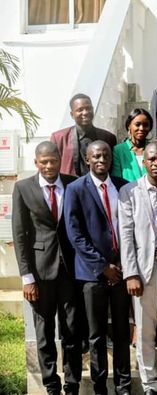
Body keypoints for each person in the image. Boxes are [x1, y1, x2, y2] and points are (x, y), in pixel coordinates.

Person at [12, 141, 81, 395]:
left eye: (53, 160)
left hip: (71, 271)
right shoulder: (23, 188)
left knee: (72, 331)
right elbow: (20, 236)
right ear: (36, 163)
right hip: (40, 274)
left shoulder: (73, 183)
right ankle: (51, 385)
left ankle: (72, 385)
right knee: (44, 332)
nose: (49, 166)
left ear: (59, 158)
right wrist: (26, 277)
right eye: (44, 162)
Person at [64, 141, 131, 395]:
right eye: (96, 156)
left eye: (105, 155)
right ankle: (100, 385)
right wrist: (103, 267)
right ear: (87, 159)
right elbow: (75, 234)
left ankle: (123, 385)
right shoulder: (75, 189)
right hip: (92, 275)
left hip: (122, 271)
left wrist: (122, 264)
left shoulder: (123, 186)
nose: (101, 159)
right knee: (96, 334)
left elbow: (129, 228)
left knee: (123, 332)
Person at [118, 142, 157, 395]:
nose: (156, 164)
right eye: (151, 159)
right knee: (144, 331)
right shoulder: (129, 192)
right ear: (143, 162)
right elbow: (126, 235)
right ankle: (149, 385)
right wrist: (130, 273)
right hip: (142, 271)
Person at [50, 93, 116, 176]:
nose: (85, 112)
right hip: (69, 186)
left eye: (88, 108)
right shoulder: (59, 138)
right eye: (80, 110)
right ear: (72, 114)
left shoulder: (108, 138)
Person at [112, 108, 153, 181]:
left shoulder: (153, 149)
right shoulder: (118, 151)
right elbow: (116, 180)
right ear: (129, 126)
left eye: (146, 125)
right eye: (137, 125)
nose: (141, 128)